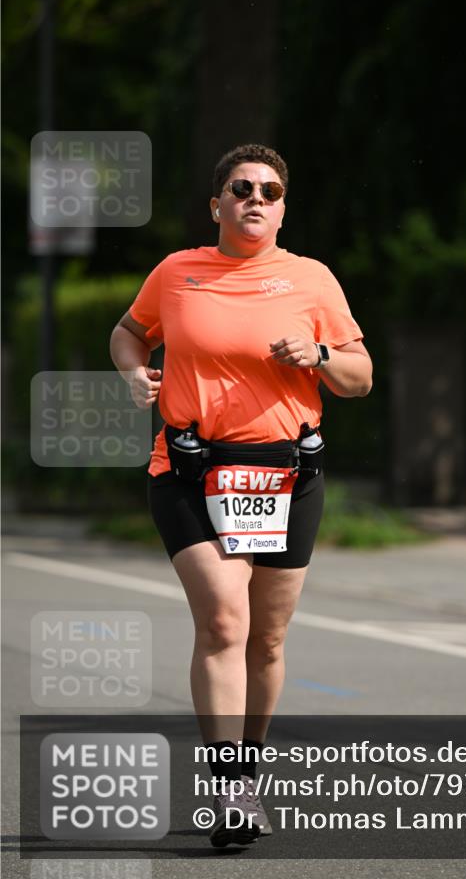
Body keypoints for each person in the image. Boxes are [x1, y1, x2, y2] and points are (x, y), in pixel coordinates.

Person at [109, 143, 372, 848]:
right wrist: (134, 375)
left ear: (283, 209)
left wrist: (318, 356)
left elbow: (360, 377)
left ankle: (246, 774)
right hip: (191, 471)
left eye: (270, 190)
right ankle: (226, 788)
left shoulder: (312, 280)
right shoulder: (177, 272)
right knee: (224, 623)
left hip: (286, 475)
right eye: (241, 187)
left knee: (266, 638)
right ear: (217, 204)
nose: (256, 197)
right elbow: (127, 334)